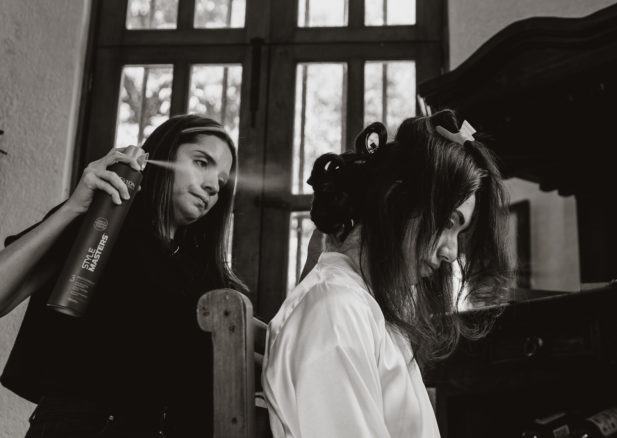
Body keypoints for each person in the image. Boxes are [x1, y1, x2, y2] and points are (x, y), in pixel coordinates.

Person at [262, 110, 511, 437]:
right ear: (396, 202)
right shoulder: (336, 313)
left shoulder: (362, 306)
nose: (451, 252)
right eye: (448, 224)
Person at [0, 114, 244, 438]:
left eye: (222, 181)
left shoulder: (202, 273)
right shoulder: (102, 223)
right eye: (202, 162)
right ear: (164, 154)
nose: (213, 185)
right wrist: (74, 208)